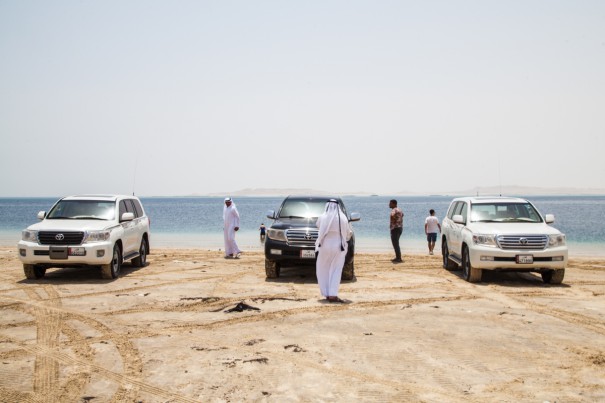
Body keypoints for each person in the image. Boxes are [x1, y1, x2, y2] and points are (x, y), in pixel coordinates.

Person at [315, 199, 352, 303]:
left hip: (324, 245)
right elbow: (348, 232)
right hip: (338, 246)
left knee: (323, 269)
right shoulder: (343, 217)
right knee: (336, 269)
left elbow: (318, 226)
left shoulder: (323, 217)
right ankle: (333, 294)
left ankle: (326, 293)